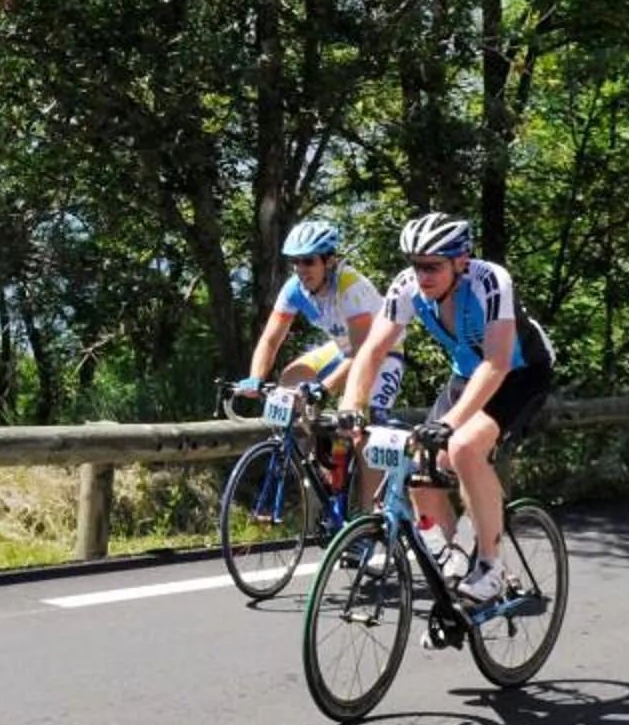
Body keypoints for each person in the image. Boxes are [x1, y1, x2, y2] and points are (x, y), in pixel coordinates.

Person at [336, 213, 556, 609]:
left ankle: (491, 568)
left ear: (461, 261)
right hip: (466, 374)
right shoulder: (406, 287)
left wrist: (450, 424)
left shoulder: (491, 281)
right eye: (416, 265)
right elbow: (371, 350)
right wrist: (352, 406)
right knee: (420, 471)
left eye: (433, 266)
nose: (422, 276)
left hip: (519, 372)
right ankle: (459, 554)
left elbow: (497, 363)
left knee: (463, 448)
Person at [235, 219, 406, 417]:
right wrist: (256, 378)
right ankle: (308, 445)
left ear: (329, 261)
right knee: (290, 384)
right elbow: (270, 340)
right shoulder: (294, 289)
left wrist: (325, 388)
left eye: (308, 261)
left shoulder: (350, 287)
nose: (300, 269)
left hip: (382, 352)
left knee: (356, 423)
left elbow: (362, 354)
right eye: (295, 261)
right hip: (344, 347)